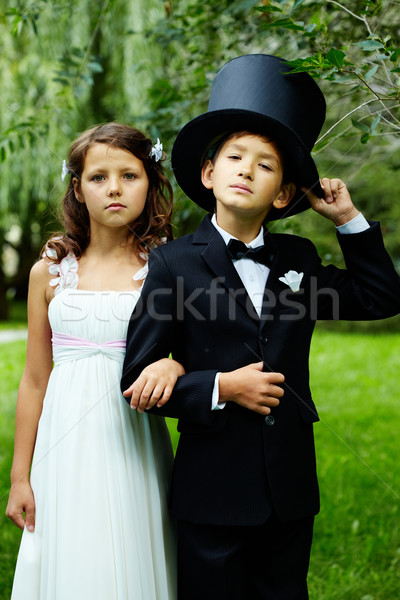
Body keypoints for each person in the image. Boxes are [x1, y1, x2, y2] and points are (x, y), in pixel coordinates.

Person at [121, 55, 400, 600]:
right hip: (213, 490)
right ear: (209, 173)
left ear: (284, 194)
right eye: (235, 156)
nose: (247, 169)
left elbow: (381, 296)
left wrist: (348, 221)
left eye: (266, 164)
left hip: (289, 485)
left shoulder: (299, 257)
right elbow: (137, 377)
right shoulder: (174, 263)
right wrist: (222, 386)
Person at [6, 123, 179, 600]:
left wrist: (176, 366)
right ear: (78, 189)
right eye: (98, 177)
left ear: (151, 183)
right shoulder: (50, 271)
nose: (115, 188)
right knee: (73, 554)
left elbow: (194, 353)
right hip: (65, 441)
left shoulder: (167, 267)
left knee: (132, 545)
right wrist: (21, 477)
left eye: (130, 175)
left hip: (134, 435)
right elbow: (35, 380)